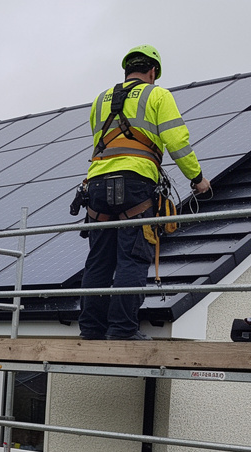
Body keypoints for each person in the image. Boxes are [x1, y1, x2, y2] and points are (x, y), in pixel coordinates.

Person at [80, 45, 210, 340]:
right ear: (153, 72)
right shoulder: (158, 94)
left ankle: (90, 329)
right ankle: (123, 330)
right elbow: (176, 140)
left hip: (96, 185)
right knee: (133, 257)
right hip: (135, 184)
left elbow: (99, 141)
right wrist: (197, 178)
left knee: (99, 260)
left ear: (126, 71)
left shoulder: (100, 99)